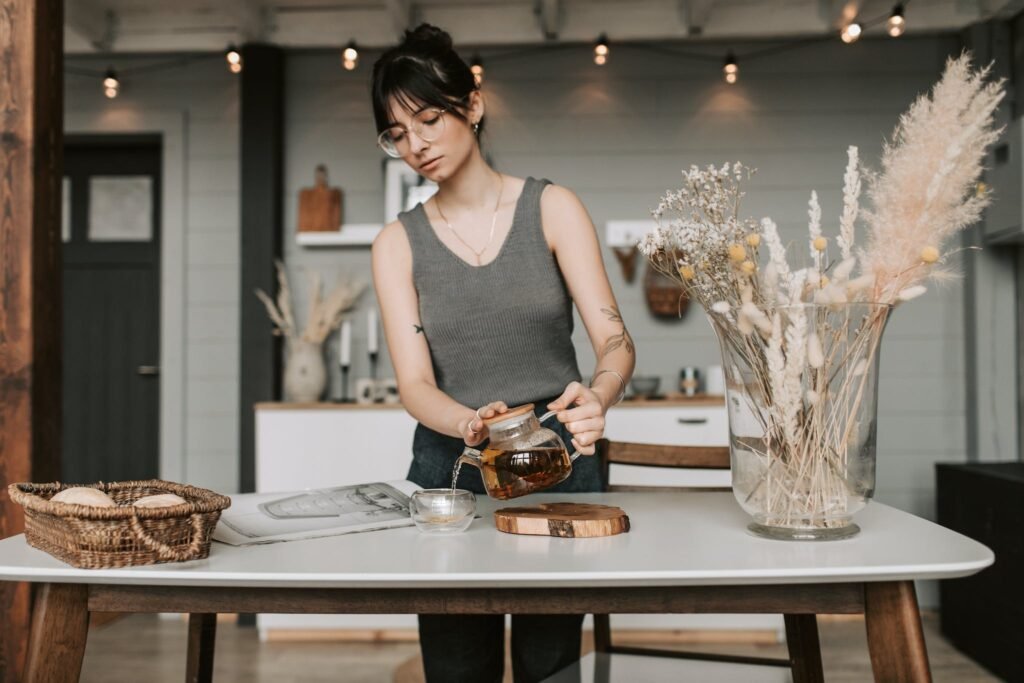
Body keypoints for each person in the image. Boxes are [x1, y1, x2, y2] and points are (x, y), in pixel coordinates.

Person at [370, 23, 636, 683]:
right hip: (450, 468)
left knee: (552, 666)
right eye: (397, 133)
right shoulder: (395, 244)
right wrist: (466, 421)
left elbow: (614, 339)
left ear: (474, 104)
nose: (416, 144)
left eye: (429, 118)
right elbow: (414, 384)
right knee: (459, 667)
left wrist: (598, 396)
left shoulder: (553, 208)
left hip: (559, 461)